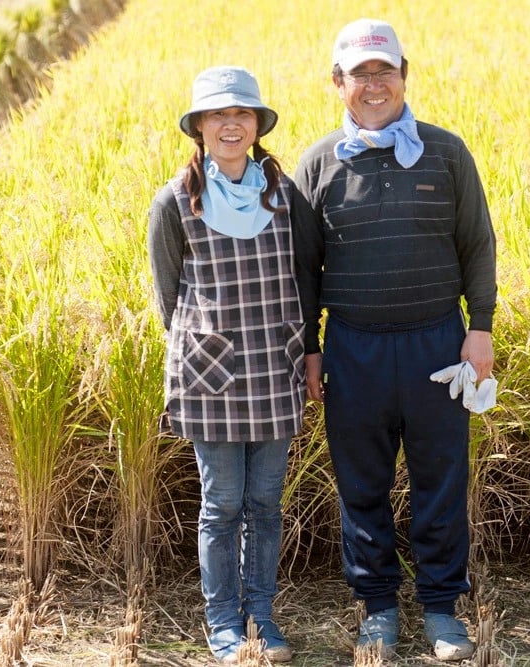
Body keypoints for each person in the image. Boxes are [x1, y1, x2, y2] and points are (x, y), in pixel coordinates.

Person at [293, 18, 497, 662]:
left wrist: (481, 329)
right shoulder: (319, 163)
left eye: (385, 71)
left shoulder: (446, 153)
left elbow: (477, 245)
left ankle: (440, 609)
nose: (374, 85)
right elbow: (303, 268)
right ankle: (379, 605)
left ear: (404, 76)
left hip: (438, 345)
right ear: (338, 83)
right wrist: (312, 348)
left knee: (441, 478)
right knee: (362, 483)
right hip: (352, 348)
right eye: (360, 74)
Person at [148, 65, 310, 665]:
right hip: (210, 376)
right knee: (221, 505)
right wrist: (208, 343)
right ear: (199, 128)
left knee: (266, 502)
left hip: (275, 364)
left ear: (257, 125)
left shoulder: (282, 193)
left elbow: (302, 272)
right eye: (218, 115)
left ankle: (261, 617)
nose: (231, 124)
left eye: (242, 114)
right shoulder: (174, 201)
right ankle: (221, 622)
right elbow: (170, 297)